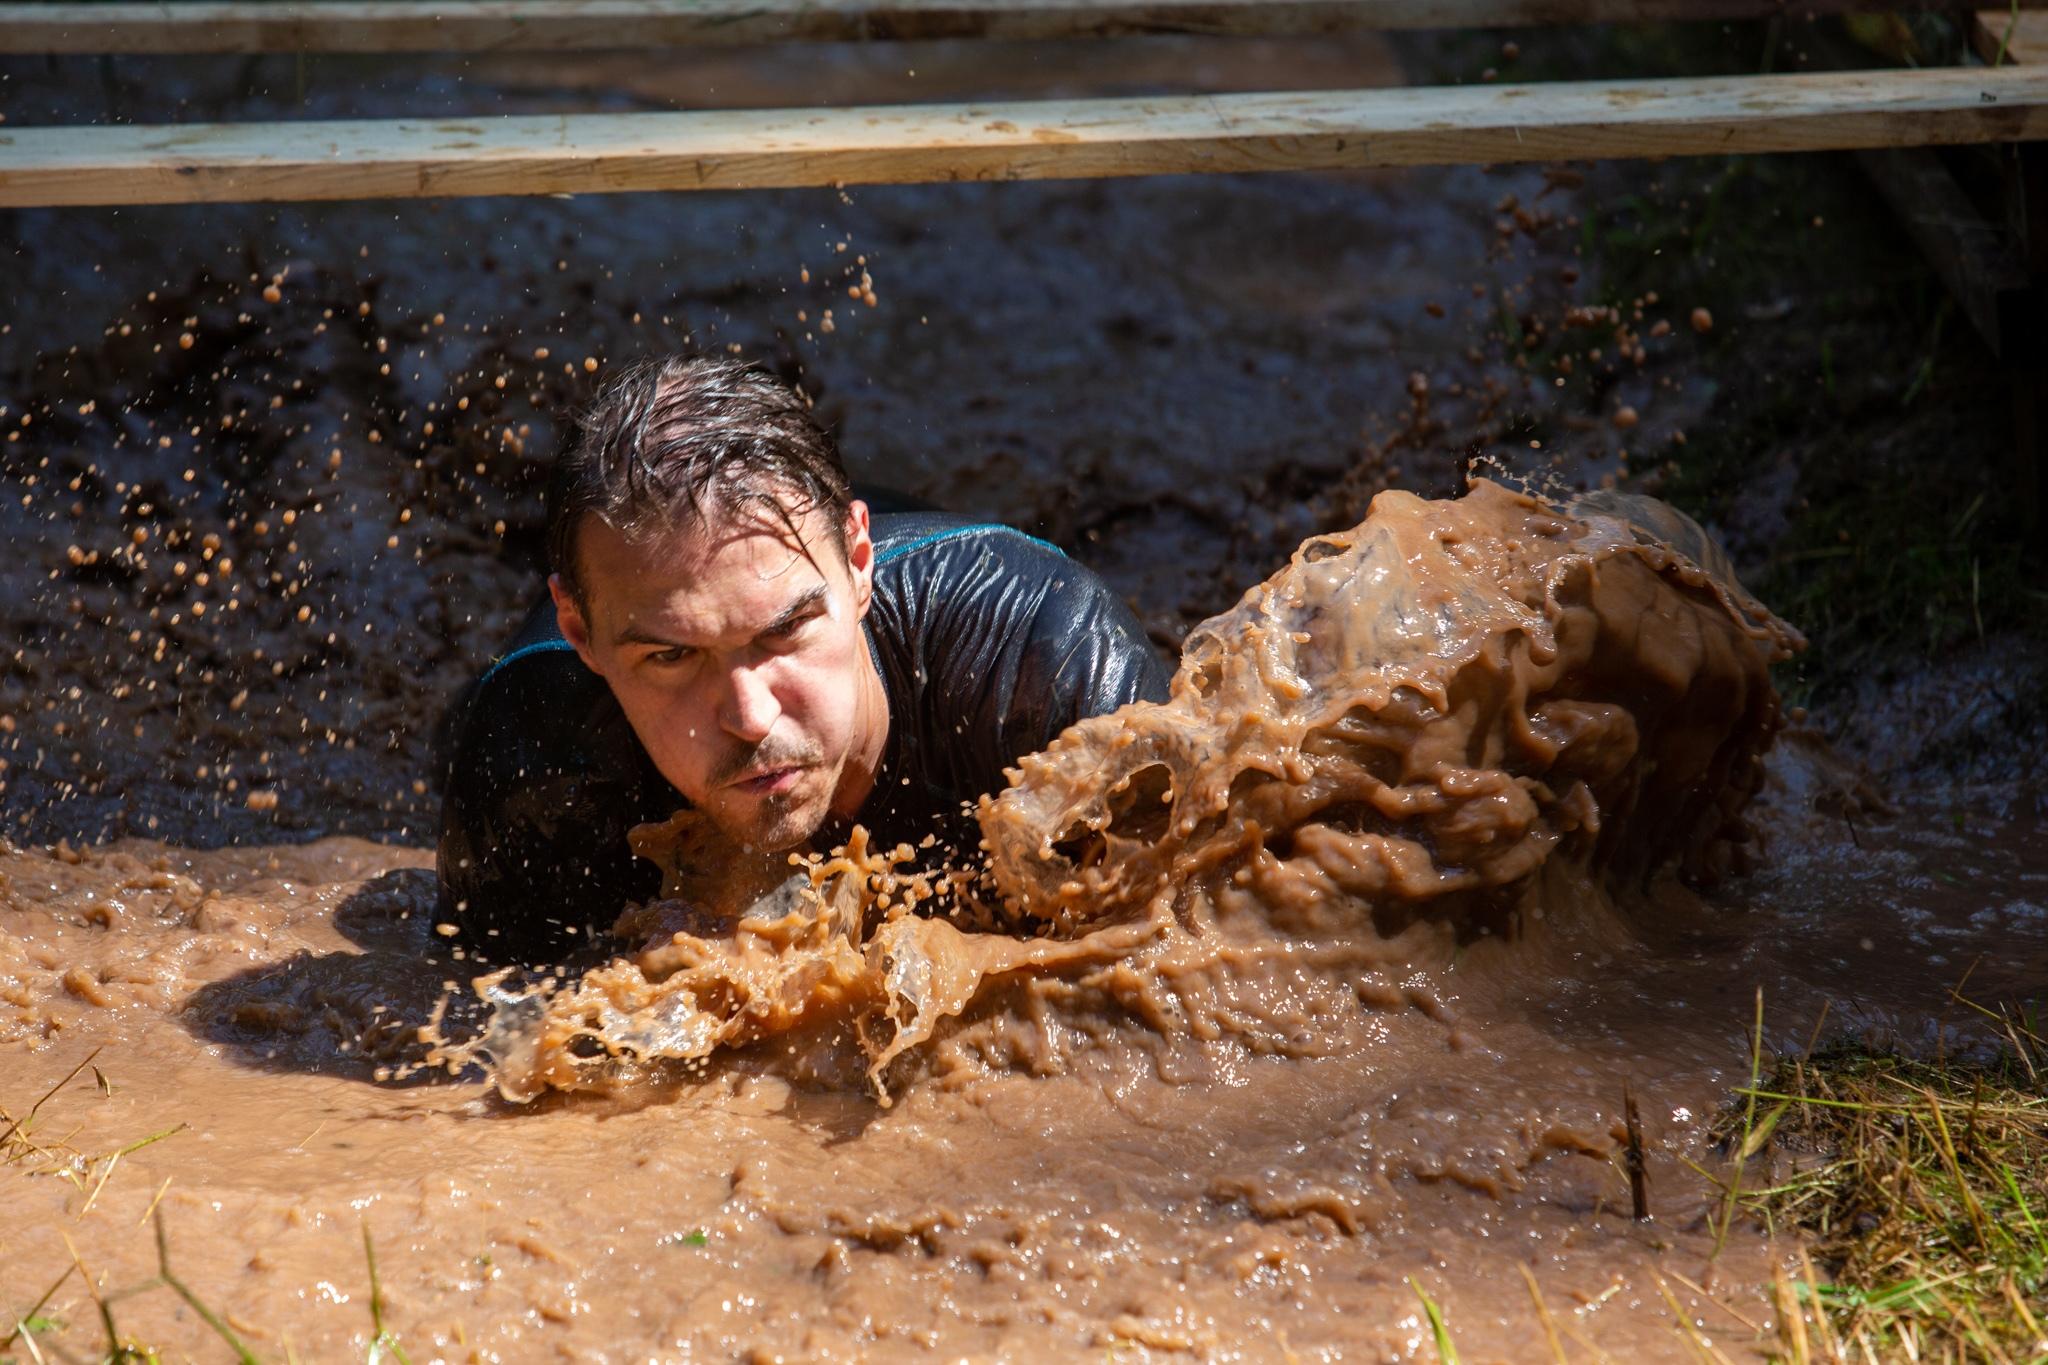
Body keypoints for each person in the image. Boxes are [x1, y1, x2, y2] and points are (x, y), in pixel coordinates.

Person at [437, 355, 1171, 960]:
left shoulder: (1047, 665)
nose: (751, 717)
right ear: (581, 633)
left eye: (784, 632)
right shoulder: (531, 771)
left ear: (858, 563)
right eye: (671, 656)